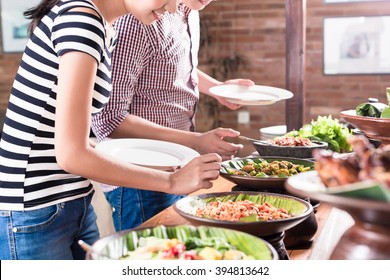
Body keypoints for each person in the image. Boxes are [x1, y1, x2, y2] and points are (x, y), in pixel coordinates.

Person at [0, 0, 222, 260]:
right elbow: (71, 154)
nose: (173, 8)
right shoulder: (82, 22)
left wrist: (146, 161)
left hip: (71, 201)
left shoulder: (102, 24)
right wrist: (172, 181)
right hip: (36, 210)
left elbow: (57, 132)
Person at [91, 0, 254, 232]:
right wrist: (197, 141)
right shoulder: (137, 21)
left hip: (178, 168)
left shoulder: (189, 11)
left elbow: (169, 63)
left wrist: (218, 89)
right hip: (140, 179)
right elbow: (109, 120)